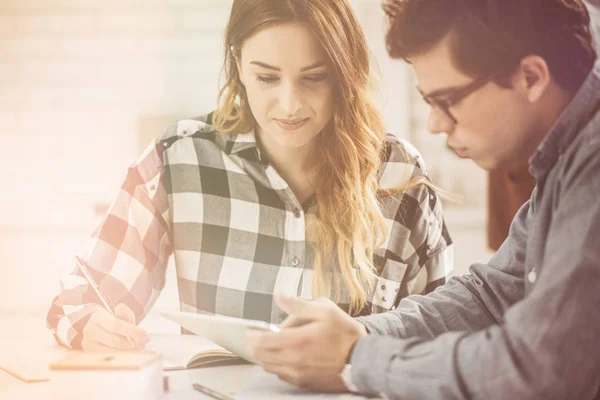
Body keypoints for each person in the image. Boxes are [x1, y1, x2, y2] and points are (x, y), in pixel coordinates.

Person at [46, 0, 453, 352]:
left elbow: (447, 335)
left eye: (313, 77)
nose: (289, 104)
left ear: (344, 74)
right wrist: (91, 324)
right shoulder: (178, 160)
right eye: (267, 77)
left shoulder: (399, 173)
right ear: (238, 64)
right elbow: (82, 298)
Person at [246, 0, 600, 398]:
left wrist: (360, 357)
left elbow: (534, 370)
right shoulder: (564, 160)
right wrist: (357, 333)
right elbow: (491, 295)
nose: (434, 124)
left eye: (447, 100)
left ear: (531, 77)